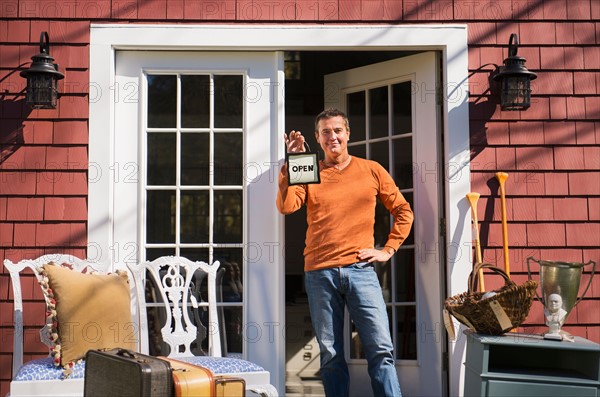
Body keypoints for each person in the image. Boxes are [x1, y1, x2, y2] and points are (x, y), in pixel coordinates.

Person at [276, 108, 413, 397]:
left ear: (348, 133)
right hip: (319, 273)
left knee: (380, 349)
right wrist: (292, 162)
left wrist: (387, 250)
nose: (332, 137)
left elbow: (403, 210)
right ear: (317, 138)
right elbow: (288, 206)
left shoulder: (371, 169)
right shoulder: (307, 167)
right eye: (325, 132)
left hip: (361, 270)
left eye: (337, 130)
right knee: (331, 354)